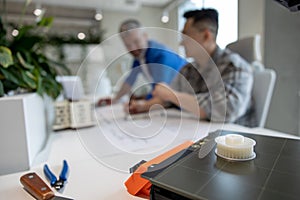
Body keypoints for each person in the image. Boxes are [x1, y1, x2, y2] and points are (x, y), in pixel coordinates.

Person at [126, 8, 257, 127]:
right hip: (202, 132)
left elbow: (224, 110)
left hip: (235, 139)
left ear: (206, 36)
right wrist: (145, 106)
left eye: (186, 35)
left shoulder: (235, 66)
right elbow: (168, 98)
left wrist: (172, 95)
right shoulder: (189, 69)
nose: (181, 43)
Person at [99, 19, 187, 105]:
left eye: (136, 41)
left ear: (145, 36)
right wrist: (115, 99)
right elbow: (129, 81)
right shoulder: (140, 57)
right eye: (128, 45)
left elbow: (160, 90)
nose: (133, 48)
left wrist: (142, 103)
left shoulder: (162, 56)